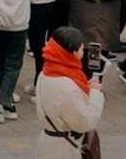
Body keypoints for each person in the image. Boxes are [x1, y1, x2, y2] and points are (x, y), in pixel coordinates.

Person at [34, 27, 104, 159]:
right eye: (81, 49)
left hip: (49, 143)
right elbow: (85, 122)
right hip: (65, 149)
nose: (83, 52)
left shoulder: (45, 73)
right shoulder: (67, 86)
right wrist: (95, 94)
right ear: (73, 52)